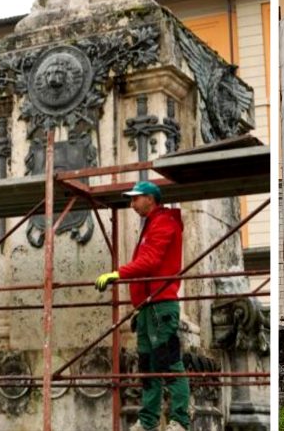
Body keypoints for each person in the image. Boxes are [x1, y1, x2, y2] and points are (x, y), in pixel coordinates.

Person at [95, 180, 190, 431]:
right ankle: (148, 422)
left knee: (169, 362)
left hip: (160, 304)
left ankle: (180, 420)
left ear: (150, 198)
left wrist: (118, 274)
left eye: (135, 198)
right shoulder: (152, 223)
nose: (132, 204)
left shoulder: (163, 222)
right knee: (148, 365)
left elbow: (150, 260)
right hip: (149, 306)